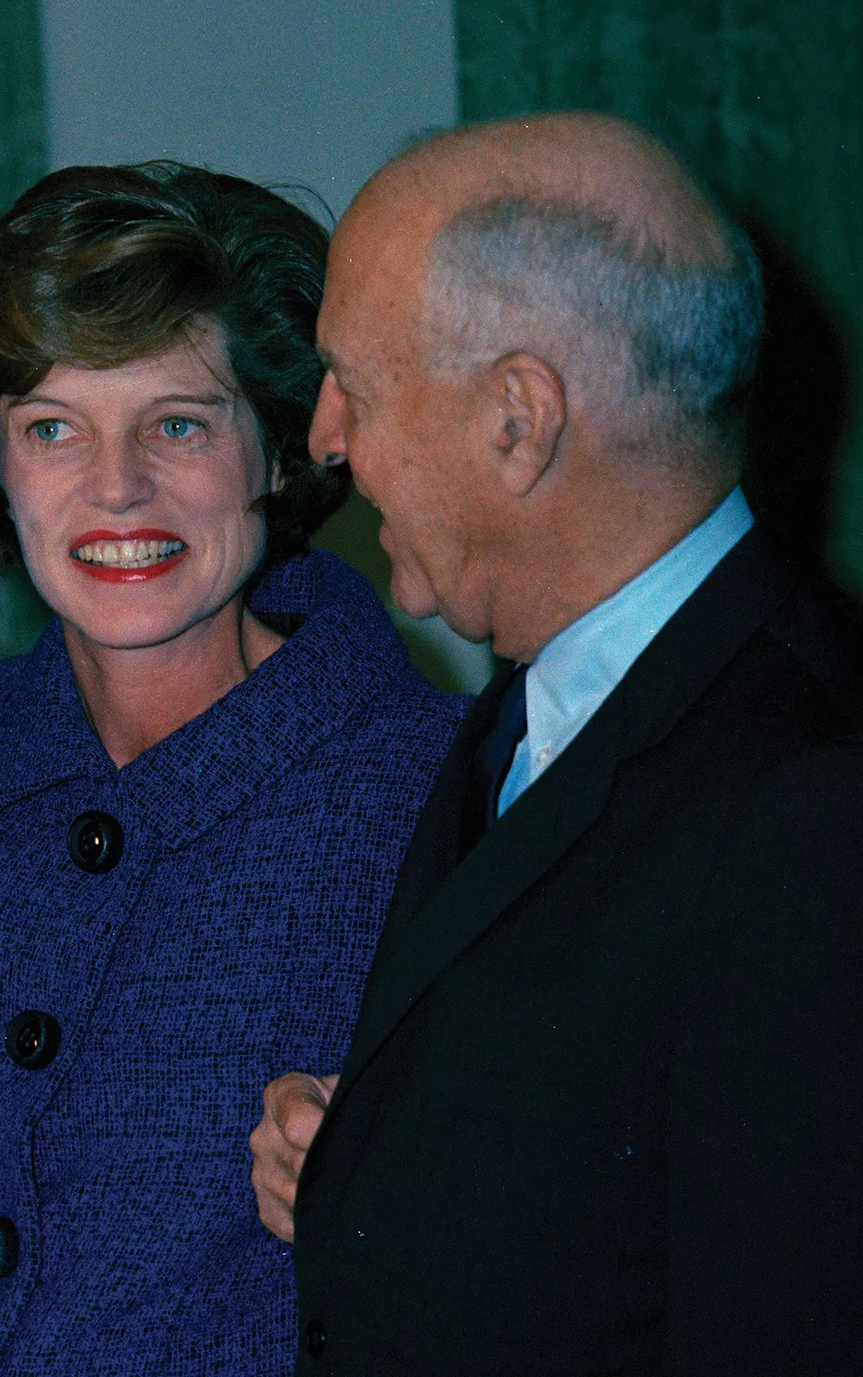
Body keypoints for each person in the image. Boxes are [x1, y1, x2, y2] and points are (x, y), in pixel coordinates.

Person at [249, 112, 863, 1374]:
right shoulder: (538, 702)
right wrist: (373, 1176)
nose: (322, 438)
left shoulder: (814, 796)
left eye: (354, 385)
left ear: (518, 421)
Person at [0, 162, 465, 1375]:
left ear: (282, 449)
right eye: (52, 429)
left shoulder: (441, 792)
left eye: (179, 424)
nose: (116, 487)